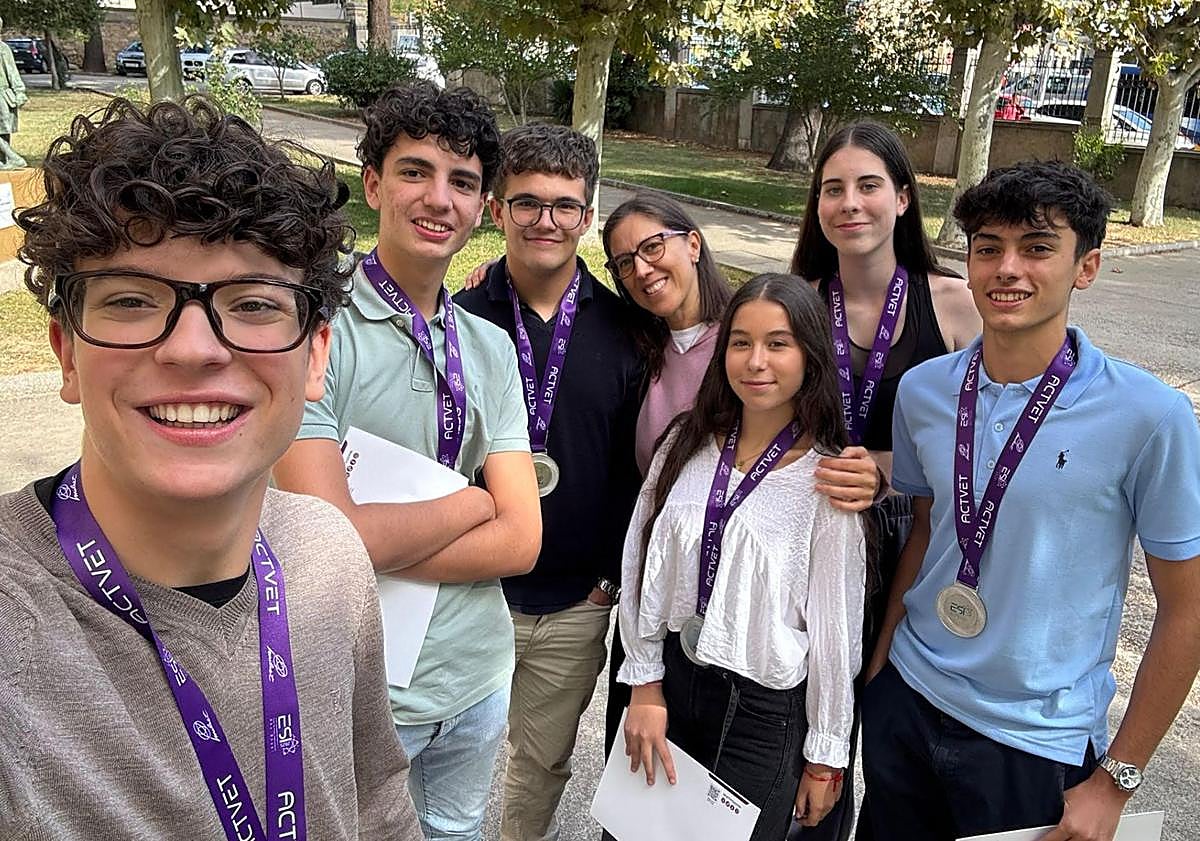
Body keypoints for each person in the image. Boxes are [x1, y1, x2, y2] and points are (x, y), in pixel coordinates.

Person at [0, 96, 421, 839]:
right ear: (66, 352)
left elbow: (376, 796)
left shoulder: (329, 556)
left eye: (253, 304)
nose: (194, 348)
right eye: (132, 299)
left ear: (315, 354)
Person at [861, 161, 1200, 841]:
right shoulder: (925, 391)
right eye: (988, 247)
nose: (1007, 267)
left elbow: (1187, 607)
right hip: (910, 700)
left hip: (1033, 743)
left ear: (1087, 266)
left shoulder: (1150, 416)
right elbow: (929, 531)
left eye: (1038, 247)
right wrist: (881, 668)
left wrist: (1116, 779)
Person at [272, 82, 542, 841]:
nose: (438, 197)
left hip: (476, 675)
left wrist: (394, 535)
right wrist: (474, 501)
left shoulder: (489, 349)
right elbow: (334, 542)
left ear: (482, 203)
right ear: (373, 185)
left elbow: (524, 542)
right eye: (415, 171)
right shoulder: (319, 333)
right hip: (361, 688)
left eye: (462, 181)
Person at [618, 273, 867, 840]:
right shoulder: (687, 443)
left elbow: (835, 631)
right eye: (740, 342)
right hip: (674, 686)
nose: (756, 361)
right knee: (637, 834)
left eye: (778, 343)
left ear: (811, 355)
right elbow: (638, 562)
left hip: (762, 715)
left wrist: (826, 753)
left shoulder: (827, 482)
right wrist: (645, 684)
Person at [787, 121, 980, 841]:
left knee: (898, 738)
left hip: (918, 543)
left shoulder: (956, 303)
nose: (850, 203)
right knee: (813, 736)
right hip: (815, 532)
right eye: (832, 188)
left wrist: (890, 470)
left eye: (869, 185)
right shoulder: (800, 299)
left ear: (903, 197)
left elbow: (991, 440)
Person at [454, 124, 642, 841]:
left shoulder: (628, 331)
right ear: (496, 210)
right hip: (471, 594)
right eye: (526, 202)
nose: (546, 220)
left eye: (565, 205)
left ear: (587, 216)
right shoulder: (458, 320)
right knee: (447, 752)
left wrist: (604, 581)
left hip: (574, 604)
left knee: (538, 763)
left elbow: (635, 466)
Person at [0, 17, 28, 169]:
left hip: (2, 96)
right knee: (2, 132)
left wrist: (20, 92)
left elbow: (12, 72)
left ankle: (14, 158)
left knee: (3, 132)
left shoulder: (3, 49)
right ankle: (6, 160)